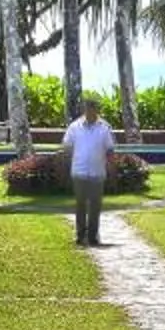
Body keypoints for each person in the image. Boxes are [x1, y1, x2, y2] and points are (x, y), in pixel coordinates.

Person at [62, 96, 119, 249]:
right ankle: (80, 236)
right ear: (84, 110)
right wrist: (64, 167)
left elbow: (110, 150)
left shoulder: (104, 128)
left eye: (93, 108)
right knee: (80, 205)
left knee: (95, 207)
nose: (90, 111)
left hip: (97, 173)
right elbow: (67, 147)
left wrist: (112, 169)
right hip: (79, 171)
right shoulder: (74, 127)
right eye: (87, 108)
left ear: (97, 110)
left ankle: (93, 236)